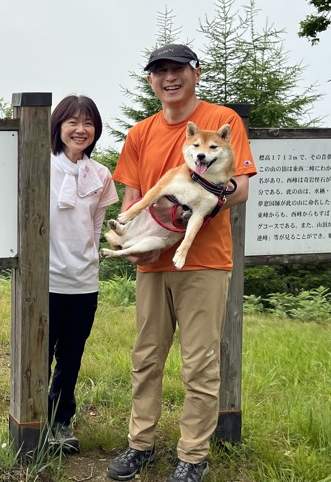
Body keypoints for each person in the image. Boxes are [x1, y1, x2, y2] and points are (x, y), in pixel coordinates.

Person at [106, 45, 257, 482]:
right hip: (151, 263)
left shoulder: (223, 122)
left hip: (205, 262)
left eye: (177, 70)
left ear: (196, 73)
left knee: (199, 362)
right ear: (151, 80)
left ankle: (192, 456)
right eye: (159, 72)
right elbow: (134, 197)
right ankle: (140, 445)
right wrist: (135, 240)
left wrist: (203, 204)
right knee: (147, 356)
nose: (168, 78)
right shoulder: (140, 133)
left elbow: (240, 187)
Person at [47, 95, 118, 452]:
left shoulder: (100, 174)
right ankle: (29, 421)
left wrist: (89, 262)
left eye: (88, 123)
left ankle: (59, 423)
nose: (80, 129)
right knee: (37, 356)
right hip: (44, 281)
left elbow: (95, 226)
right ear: (58, 126)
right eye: (72, 122)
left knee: (71, 359)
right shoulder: (41, 166)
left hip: (84, 284)